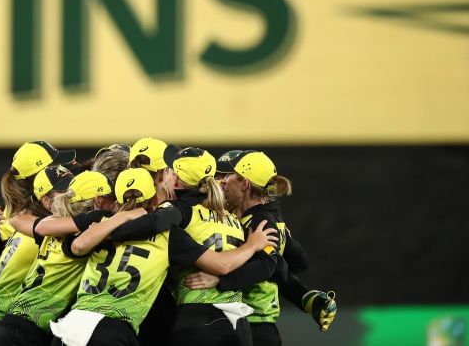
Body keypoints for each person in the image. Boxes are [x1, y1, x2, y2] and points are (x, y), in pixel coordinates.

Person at [50, 168, 277, 346]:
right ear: (153, 200)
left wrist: (119, 218)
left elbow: (78, 246)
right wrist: (252, 245)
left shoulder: (99, 226)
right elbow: (222, 264)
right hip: (114, 330)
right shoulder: (167, 235)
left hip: (69, 327)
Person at [184, 150, 336, 346]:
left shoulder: (259, 222)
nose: (221, 181)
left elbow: (267, 267)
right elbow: (297, 261)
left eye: (227, 175)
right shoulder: (267, 219)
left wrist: (220, 280)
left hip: (254, 322)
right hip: (253, 322)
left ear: (245, 183)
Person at [0, 169, 146, 346]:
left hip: (11, 326)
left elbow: (19, 220)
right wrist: (126, 215)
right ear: (99, 200)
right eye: (111, 198)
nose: (116, 203)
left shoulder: (55, 224)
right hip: (27, 333)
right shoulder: (94, 225)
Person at [0, 142, 75, 346]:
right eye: (57, 167)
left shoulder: (21, 211)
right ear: (40, 175)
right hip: (5, 320)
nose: (66, 170)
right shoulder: (45, 218)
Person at [168, 147, 260, 346]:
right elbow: (259, 266)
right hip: (239, 321)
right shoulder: (233, 217)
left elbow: (221, 265)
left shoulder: (179, 214)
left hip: (197, 316)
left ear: (176, 181)